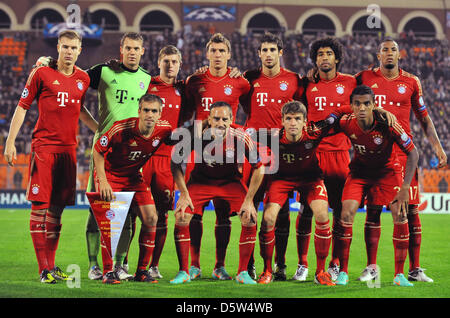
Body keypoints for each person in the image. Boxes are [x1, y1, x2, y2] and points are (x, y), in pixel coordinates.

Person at [4, 30, 98, 283]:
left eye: (73, 47)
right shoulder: (41, 73)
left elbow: (80, 109)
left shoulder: (83, 79)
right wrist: (10, 141)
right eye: (65, 46)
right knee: (40, 206)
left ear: (80, 50)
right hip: (44, 148)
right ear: (57, 47)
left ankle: (52, 266)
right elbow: (22, 107)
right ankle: (43, 269)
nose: (68, 51)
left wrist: (100, 130)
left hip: (69, 150)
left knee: (57, 210)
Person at [355, 38, 447, 282]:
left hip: (405, 154)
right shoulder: (364, 78)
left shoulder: (411, 82)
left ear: (399, 54)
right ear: (378, 55)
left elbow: (425, 119)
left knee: (412, 210)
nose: (388, 53)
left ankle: (414, 270)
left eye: (393, 49)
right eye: (384, 50)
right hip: (376, 154)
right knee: (373, 209)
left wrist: (438, 147)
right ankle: (371, 267)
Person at [331, 85, 419, 287]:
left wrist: (406, 187)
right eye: (357, 104)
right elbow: (326, 127)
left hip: (388, 173)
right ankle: (343, 272)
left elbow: (413, 153)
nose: (362, 108)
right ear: (351, 106)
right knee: (346, 214)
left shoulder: (388, 123)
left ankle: (399, 275)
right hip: (360, 173)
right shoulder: (346, 123)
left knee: (400, 214)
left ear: (374, 105)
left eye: (367, 104)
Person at [170, 101, 265, 284]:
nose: (220, 123)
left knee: (250, 216)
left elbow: (259, 168)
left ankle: (242, 272)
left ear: (231, 120)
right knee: (182, 215)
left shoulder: (241, 136)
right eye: (216, 118)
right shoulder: (194, 135)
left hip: (229, 182)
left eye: (224, 119)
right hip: (200, 181)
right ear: (209, 120)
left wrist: (249, 200)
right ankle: (185, 271)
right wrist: (183, 193)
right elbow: (175, 163)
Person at [183, 33, 251, 280]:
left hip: (228, 153)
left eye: (222, 51)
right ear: (207, 53)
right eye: (214, 50)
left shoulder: (240, 82)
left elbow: (249, 111)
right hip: (198, 152)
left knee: (224, 212)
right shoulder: (194, 80)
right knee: (194, 212)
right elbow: (187, 113)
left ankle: (219, 266)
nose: (218, 55)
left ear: (229, 54)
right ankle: (194, 265)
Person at [241, 32, 304, 280]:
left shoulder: (293, 80)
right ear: (259, 54)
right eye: (263, 50)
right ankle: (250, 265)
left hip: (281, 148)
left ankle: (280, 265)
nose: (268, 54)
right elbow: (246, 105)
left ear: (280, 52)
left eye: (272, 50)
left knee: (282, 210)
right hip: (254, 148)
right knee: (251, 206)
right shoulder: (249, 78)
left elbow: (298, 113)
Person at [92, 94, 172, 284]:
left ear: (160, 114)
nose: (149, 115)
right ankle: (107, 272)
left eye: (154, 111)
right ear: (139, 111)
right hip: (110, 176)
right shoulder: (121, 128)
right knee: (111, 221)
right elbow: (98, 150)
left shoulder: (164, 130)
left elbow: (183, 140)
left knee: (152, 217)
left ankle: (142, 271)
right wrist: (102, 181)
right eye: (146, 110)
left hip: (134, 177)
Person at [257, 101, 336, 286]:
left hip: (310, 179)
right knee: (268, 219)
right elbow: (244, 135)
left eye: (297, 119)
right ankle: (267, 270)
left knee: (323, 215)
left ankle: (320, 272)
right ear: (282, 121)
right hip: (281, 179)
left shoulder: (315, 131)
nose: (293, 123)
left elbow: (340, 117)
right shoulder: (272, 136)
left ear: (305, 121)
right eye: (289, 119)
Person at [297, 37, 356, 281]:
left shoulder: (351, 82)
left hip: (340, 153)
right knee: (306, 208)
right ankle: (303, 264)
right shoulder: (306, 85)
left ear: (337, 58)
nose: (324, 57)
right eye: (320, 54)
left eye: (328, 53)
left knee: (339, 210)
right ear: (315, 59)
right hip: (312, 153)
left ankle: (335, 262)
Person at [140, 45, 188, 279]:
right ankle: (125, 262)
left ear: (180, 64)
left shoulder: (183, 90)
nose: (170, 65)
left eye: (174, 62)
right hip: (142, 156)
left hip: (167, 159)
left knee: (161, 213)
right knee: (133, 211)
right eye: (166, 61)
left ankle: (154, 265)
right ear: (159, 62)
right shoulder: (147, 85)